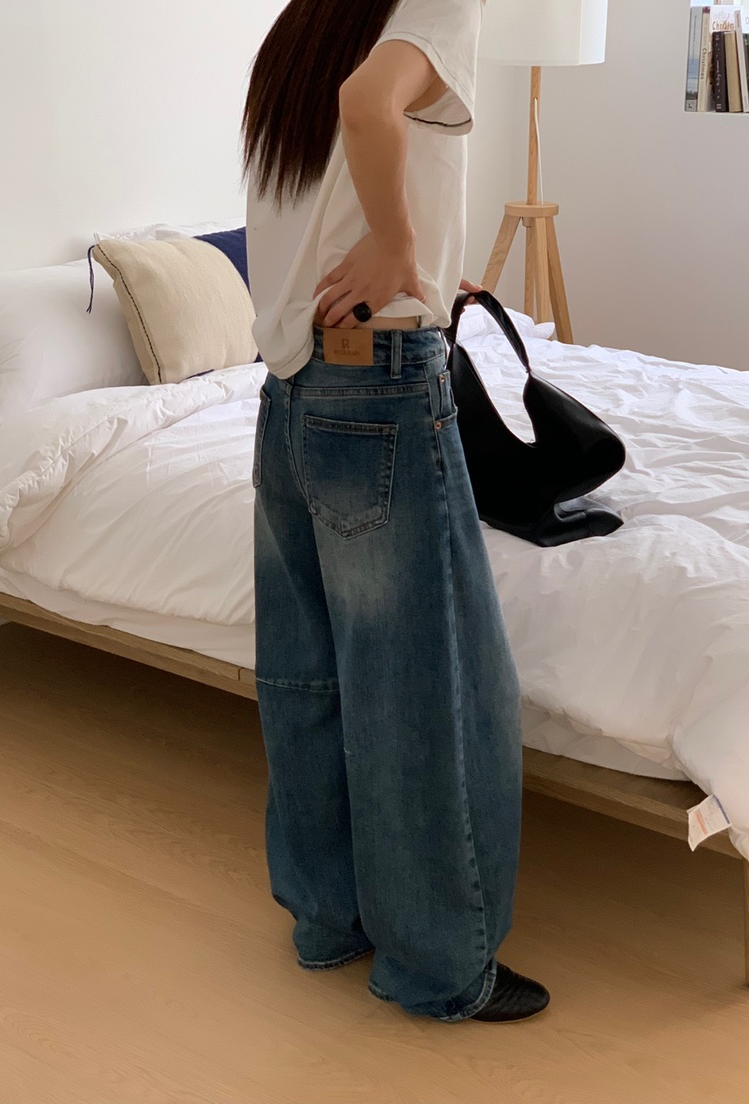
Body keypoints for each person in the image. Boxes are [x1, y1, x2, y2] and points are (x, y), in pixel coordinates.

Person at [241, 0, 550, 1024]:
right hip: (376, 388)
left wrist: (412, 256)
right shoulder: (436, 6)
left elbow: (335, 169)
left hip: (291, 388)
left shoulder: (304, 26)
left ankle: (327, 921)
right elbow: (368, 105)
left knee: (307, 677)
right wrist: (394, 242)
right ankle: (434, 967)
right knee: (427, 685)